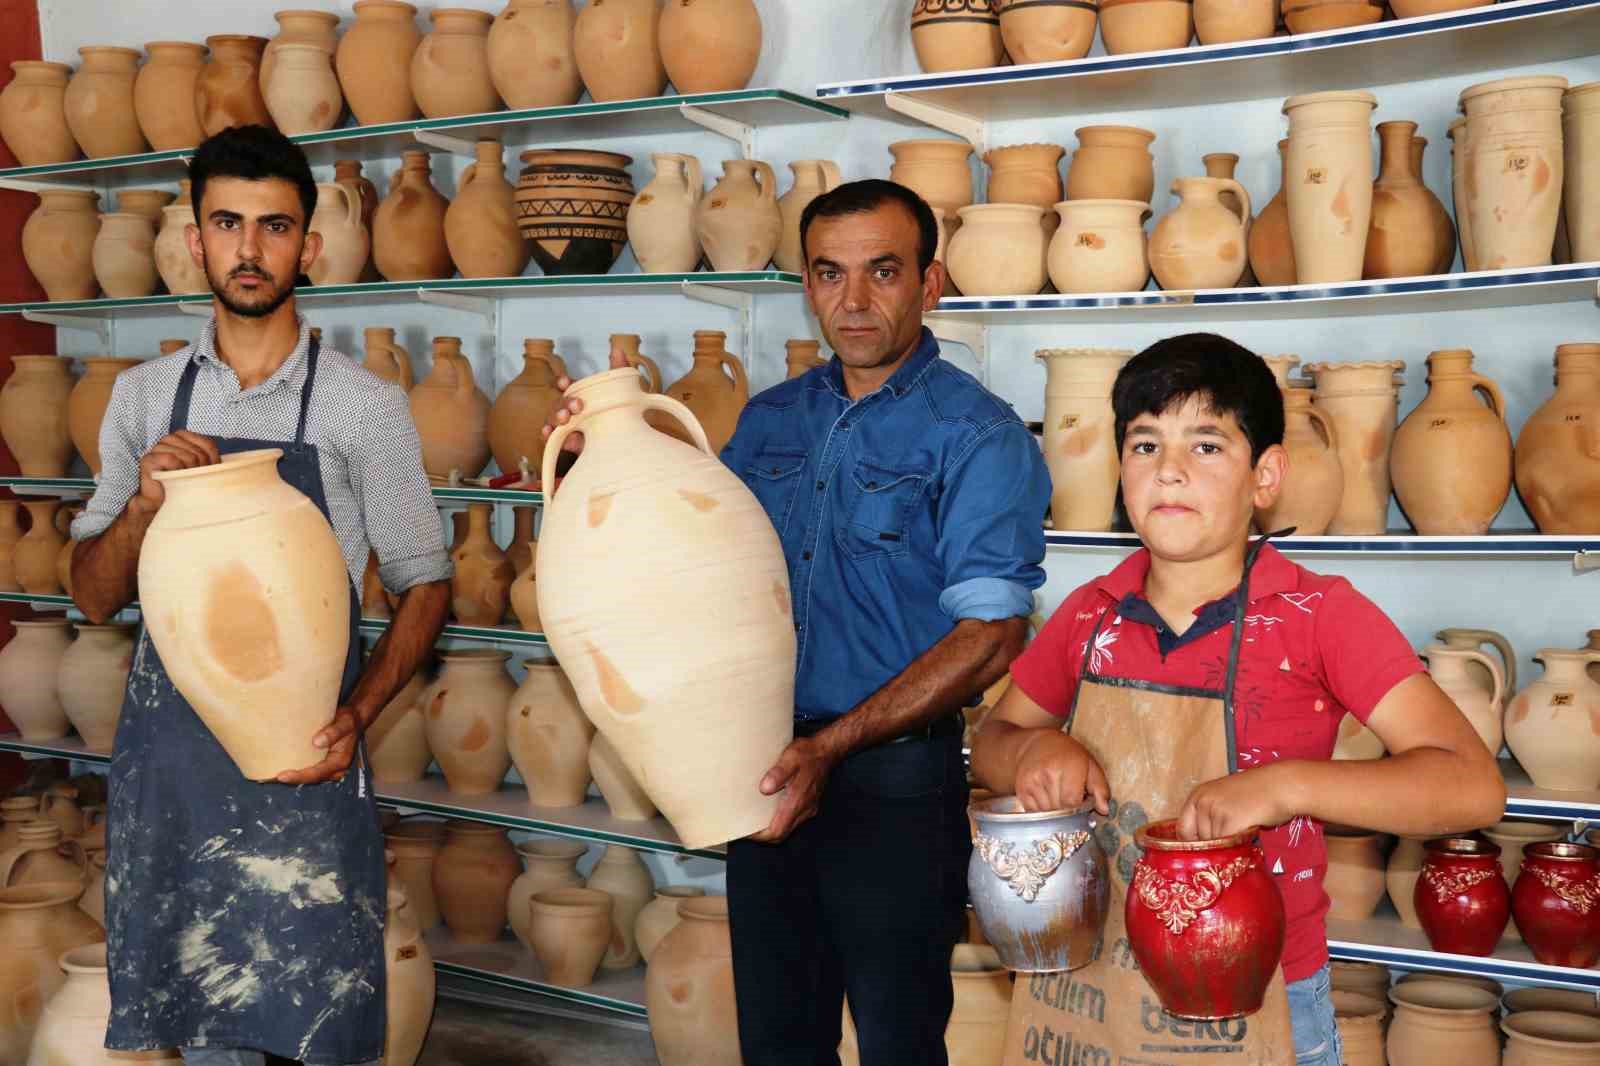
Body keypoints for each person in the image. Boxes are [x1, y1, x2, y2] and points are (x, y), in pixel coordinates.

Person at [544, 179, 1052, 1064]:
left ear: (931, 283)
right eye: (829, 273)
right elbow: (702, 567)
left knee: (899, 1042)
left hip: (894, 780)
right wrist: (602, 461)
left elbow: (991, 638)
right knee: (779, 1038)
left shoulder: (978, 435)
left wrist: (833, 748)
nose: (854, 301)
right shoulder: (771, 419)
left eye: (882, 272)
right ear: (807, 284)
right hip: (762, 763)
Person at [970, 334, 1506, 1065]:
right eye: (1145, 445)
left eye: (1207, 447)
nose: (1170, 472)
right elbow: (995, 739)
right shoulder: (1089, 614)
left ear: (1267, 475)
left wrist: (1284, 787)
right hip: (1096, 990)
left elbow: (1471, 785)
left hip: (1269, 995)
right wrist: (1035, 748)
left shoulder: (1320, 616)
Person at [69, 125, 451, 1066]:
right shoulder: (144, 399)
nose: (250, 249)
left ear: (309, 247)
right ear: (194, 241)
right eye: (227, 224)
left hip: (304, 768)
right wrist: (143, 507)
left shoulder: (364, 407)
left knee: (317, 1032)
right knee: (199, 1034)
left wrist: (357, 718)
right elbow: (89, 597)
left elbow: (426, 583)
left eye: (275, 226)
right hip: (174, 776)